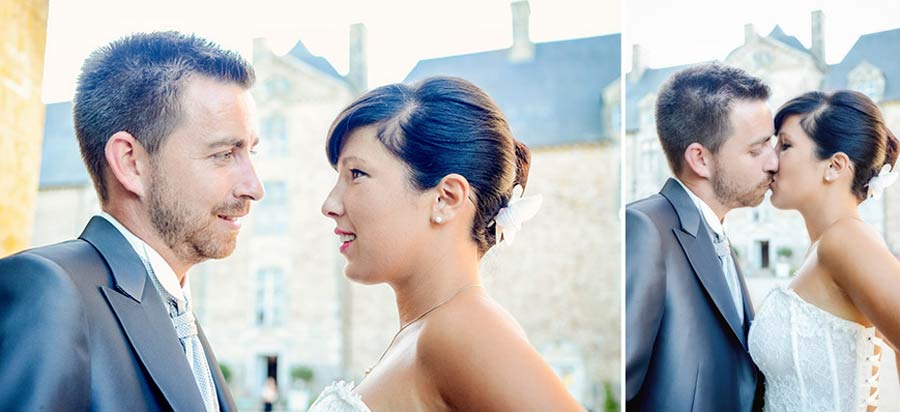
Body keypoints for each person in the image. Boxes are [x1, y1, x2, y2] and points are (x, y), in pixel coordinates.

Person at [0, 31, 263, 411]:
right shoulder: (50, 290)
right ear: (130, 163)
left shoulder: (175, 310)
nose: (254, 187)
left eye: (251, 152)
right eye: (224, 154)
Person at [310, 76, 583, 411]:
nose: (329, 205)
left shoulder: (464, 331)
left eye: (356, 175)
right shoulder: (426, 331)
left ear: (446, 198)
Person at [626, 63, 776, 411]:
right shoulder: (646, 227)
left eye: (772, 144)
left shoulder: (716, 232)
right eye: (757, 150)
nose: (773, 162)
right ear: (700, 159)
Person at [748, 90, 900, 412]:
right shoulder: (823, 247)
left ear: (834, 165)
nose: (772, 160)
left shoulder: (845, 239)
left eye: (785, 145)